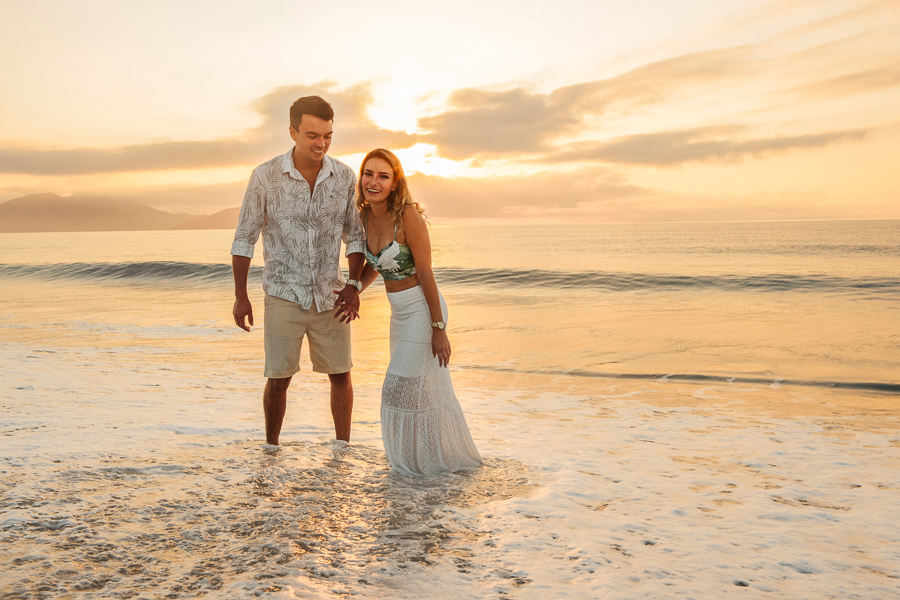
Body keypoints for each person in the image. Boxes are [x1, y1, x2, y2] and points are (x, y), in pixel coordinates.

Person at [231, 95, 367, 446]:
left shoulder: (344, 177)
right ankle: (271, 450)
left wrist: (353, 284)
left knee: (341, 375)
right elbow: (245, 238)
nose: (321, 143)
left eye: (327, 136)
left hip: (331, 294)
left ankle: (342, 451)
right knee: (278, 378)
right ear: (292, 131)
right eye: (312, 135)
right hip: (282, 293)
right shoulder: (264, 177)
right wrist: (240, 296)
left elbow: (354, 234)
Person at [356, 148, 481, 475]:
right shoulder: (363, 217)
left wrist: (438, 327)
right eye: (369, 174)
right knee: (415, 393)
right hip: (398, 316)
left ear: (395, 183)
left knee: (396, 389)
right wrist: (354, 288)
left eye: (383, 176)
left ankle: (416, 466)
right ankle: (418, 464)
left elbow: (425, 272)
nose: (374, 181)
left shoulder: (407, 216)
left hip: (424, 312)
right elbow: (378, 264)